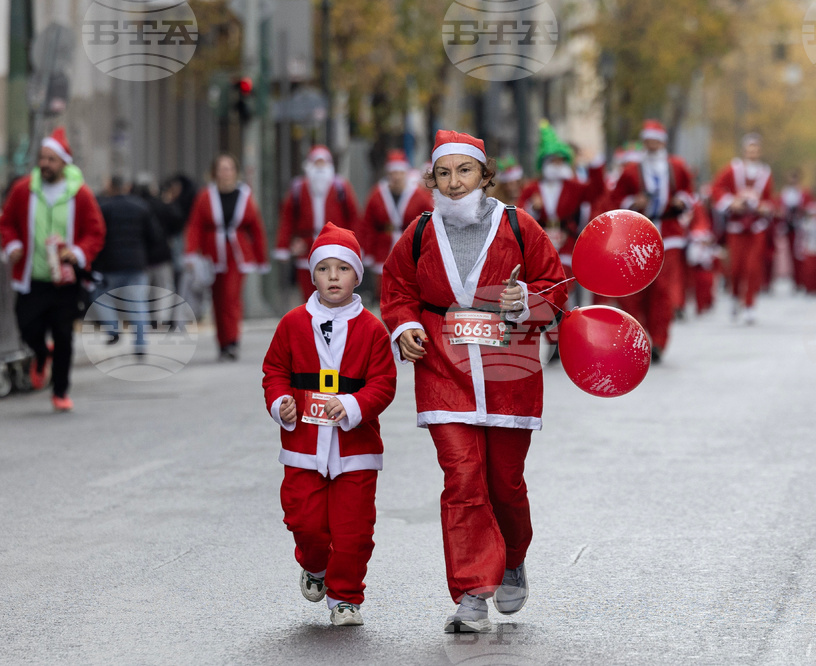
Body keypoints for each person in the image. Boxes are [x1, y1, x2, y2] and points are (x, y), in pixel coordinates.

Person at [380, 130, 568, 633]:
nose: (454, 182)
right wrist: (405, 326)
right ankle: (470, 590)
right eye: (444, 173)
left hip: (510, 373)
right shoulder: (419, 232)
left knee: (504, 484)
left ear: (485, 176)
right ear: (432, 180)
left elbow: (556, 286)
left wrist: (526, 299)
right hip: (443, 371)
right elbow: (396, 287)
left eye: (465, 171)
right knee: (462, 479)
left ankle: (511, 559)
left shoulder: (519, 225)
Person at [262, 222, 396, 627]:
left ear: (358, 274)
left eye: (342, 268)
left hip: (355, 450)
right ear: (312, 274)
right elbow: (274, 371)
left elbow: (384, 384)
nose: (333, 277)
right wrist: (280, 402)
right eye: (324, 269)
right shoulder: (292, 323)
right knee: (305, 521)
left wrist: (354, 405)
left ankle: (345, 597)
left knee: (354, 531)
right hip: (302, 445)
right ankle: (315, 566)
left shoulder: (373, 330)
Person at [0, 127, 106, 411]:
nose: (45, 163)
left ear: (64, 163)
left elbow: (96, 231)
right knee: (26, 327)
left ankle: (60, 391)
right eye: (42, 158)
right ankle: (40, 353)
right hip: (33, 277)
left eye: (51, 159)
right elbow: (6, 222)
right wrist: (12, 246)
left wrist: (78, 251)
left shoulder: (80, 194)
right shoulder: (24, 190)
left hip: (65, 280)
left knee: (63, 335)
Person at [611, 119, 694, 358]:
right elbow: (616, 198)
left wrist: (682, 202)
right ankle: (639, 335)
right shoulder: (631, 170)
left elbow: (689, 192)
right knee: (634, 289)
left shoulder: (676, 167)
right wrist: (632, 204)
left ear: (663, 142)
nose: (652, 143)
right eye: (648, 139)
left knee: (662, 290)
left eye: (656, 140)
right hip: (638, 235)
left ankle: (658, 341)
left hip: (668, 233)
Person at [184, 153, 269, 360]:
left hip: (237, 255)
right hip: (213, 254)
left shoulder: (245, 195)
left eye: (229, 168)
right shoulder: (206, 196)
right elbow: (195, 226)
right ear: (215, 172)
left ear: (235, 171)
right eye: (222, 168)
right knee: (218, 299)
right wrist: (190, 253)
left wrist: (261, 257)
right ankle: (223, 343)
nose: (226, 172)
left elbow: (256, 227)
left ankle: (233, 340)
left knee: (231, 297)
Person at [517, 120, 606, 278]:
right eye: (553, 161)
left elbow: (596, 191)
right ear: (544, 163)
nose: (558, 165)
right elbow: (519, 213)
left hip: (566, 243)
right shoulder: (532, 188)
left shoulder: (573, 186)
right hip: (540, 244)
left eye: (561, 161)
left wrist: (595, 164)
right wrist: (533, 207)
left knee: (562, 283)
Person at [274, 146, 361, 303]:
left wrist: (356, 246)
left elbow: (354, 218)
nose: (320, 168)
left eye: (323, 163)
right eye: (316, 163)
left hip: (335, 247)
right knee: (308, 294)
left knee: (334, 289)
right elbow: (287, 219)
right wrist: (283, 246)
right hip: (305, 247)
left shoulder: (341, 188)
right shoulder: (298, 189)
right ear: (309, 166)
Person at [93, 176, 163, 348]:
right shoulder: (141, 207)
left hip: (111, 264)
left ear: (110, 186)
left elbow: (98, 236)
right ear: (127, 186)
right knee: (137, 303)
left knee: (100, 297)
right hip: (136, 264)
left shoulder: (104, 208)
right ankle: (140, 342)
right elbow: (155, 236)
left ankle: (113, 329)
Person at [711, 133, 774, 325]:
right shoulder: (733, 169)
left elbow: (769, 198)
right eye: (749, 148)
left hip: (756, 227)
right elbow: (716, 190)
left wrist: (765, 206)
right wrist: (732, 202)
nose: (752, 152)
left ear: (760, 150)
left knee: (753, 268)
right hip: (736, 227)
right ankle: (735, 297)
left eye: (756, 148)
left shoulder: (765, 172)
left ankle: (749, 305)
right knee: (736, 267)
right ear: (744, 150)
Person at [359, 149, 434, 302]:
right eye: (393, 173)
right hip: (383, 249)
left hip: (409, 248)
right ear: (389, 174)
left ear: (405, 172)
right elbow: (367, 224)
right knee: (383, 291)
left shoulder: (419, 195)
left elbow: (431, 223)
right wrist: (367, 252)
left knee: (407, 290)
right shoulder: (377, 194)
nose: (397, 177)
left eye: (400, 172)